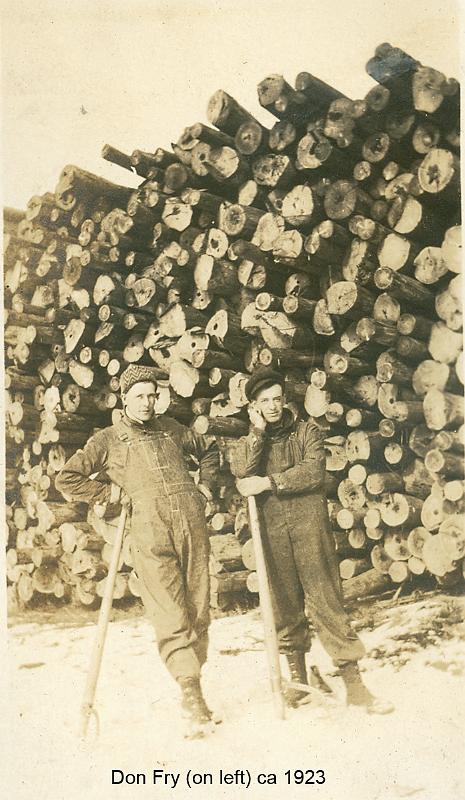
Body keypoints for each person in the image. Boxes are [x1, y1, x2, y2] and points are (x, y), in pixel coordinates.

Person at [56, 364, 220, 738]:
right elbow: (68, 477)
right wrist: (107, 494)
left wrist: (206, 487)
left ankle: (192, 683)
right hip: (150, 532)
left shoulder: (173, 429)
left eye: (152, 396)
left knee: (199, 609)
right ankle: (191, 693)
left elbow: (210, 449)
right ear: (124, 400)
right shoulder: (108, 440)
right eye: (139, 396)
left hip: (192, 526)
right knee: (170, 611)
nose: (147, 403)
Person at [230, 367, 393, 714]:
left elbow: (313, 471)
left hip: (309, 529)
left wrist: (269, 483)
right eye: (264, 401)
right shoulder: (250, 442)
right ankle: (298, 680)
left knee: (326, 603)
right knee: (285, 605)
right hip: (274, 533)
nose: (273, 406)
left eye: (277, 399)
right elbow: (244, 474)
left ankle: (355, 685)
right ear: (254, 406)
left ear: (284, 399)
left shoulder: (307, 431)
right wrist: (257, 433)